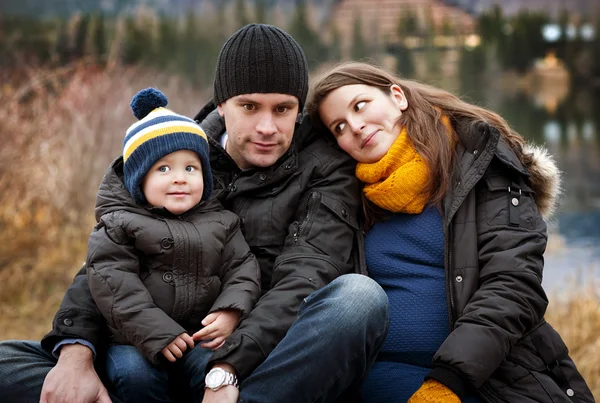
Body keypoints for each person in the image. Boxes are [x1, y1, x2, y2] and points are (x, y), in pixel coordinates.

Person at [0, 25, 389, 403]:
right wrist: (75, 352)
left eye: (283, 109)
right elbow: (108, 259)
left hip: (255, 356)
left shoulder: (326, 167)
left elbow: (306, 275)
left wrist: (227, 367)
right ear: (223, 104)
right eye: (249, 107)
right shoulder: (173, 153)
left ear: (299, 110)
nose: (267, 127)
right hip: (150, 346)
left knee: (358, 299)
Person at [306, 61, 595, 403]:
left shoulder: (479, 165)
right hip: (369, 383)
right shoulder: (345, 193)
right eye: (338, 127)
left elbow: (514, 286)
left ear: (397, 97)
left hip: (480, 383)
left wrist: (447, 381)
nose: (354, 126)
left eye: (360, 106)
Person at [86, 87, 261, 402]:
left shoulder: (221, 221)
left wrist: (230, 310)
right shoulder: (119, 224)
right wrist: (156, 331)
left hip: (197, 338)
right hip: (132, 342)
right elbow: (112, 283)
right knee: (134, 377)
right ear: (139, 180)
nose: (180, 178)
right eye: (163, 169)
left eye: (190, 168)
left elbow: (243, 268)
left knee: (219, 372)